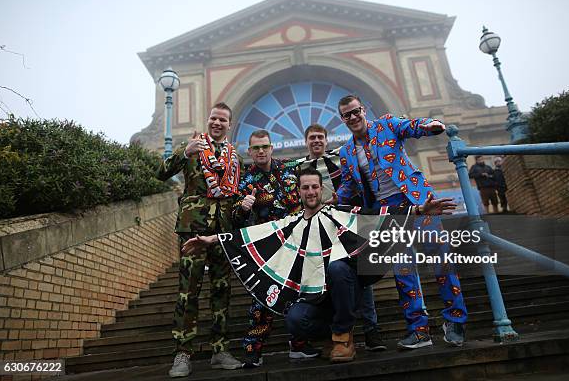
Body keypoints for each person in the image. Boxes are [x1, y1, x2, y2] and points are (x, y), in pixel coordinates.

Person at [182, 168, 457, 363]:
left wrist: (419, 211)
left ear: (321, 189)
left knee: (338, 267)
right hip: (317, 297)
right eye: (305, 187)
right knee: (294, 320)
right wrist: (212, 239)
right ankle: (330, 335)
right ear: (299, 191)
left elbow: (377, 216)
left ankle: (343, 337)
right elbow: (255, 235)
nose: (311, 191)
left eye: (315, 186)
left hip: (347, 290)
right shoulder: (291, 223)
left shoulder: (338, 213)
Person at [336, 94, 468, 349]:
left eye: (355, 111)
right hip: (387, 214)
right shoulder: (346, 152)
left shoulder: (386, 124)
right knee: (403, 271)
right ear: (342, 119)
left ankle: (456, 320)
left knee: (440, 259)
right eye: (346, 115)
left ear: (363, 110)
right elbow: (349, 185)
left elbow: (411, 126)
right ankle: (419, 330)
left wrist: (430, 125)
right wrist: (332, 199)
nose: (352, 117)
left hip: (418, 199)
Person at [157, 102, 243, 377]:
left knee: (221, 290)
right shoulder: (193, 146)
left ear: (229, 125)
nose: (217, 123)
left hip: (221, 231)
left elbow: (232, 193)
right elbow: (160, 173)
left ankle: (220, 350)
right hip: (193, 228)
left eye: (223, 120)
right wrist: (184, 152)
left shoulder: (234, 155)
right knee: (188, 290)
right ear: (208, 121)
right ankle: (182, 354)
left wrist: (244, 203)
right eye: (213, 118)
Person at [232, 129, 318, 367]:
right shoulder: (246, 180)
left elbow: (313, 185)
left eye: (265, 147)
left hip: (297, 242)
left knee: (299, 293)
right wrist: (244, 208)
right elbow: (236, 217)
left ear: (271, 148)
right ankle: (253, 350)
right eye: (256, 148)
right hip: (267, 249)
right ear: (250, 151)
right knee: (263, 299)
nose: (261, 151)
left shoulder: (290, 169)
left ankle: (299, 344)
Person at [298, 124, 386, 352]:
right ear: (306, 141)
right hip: (319, 232)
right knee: (329, 278)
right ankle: (335, 334)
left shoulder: (340, 159)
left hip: (349, 227)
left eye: (320, 137)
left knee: (362, 276)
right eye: (312, 138)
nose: (316, 141)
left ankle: (371, 331)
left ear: (326, 141)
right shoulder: (299, 167)